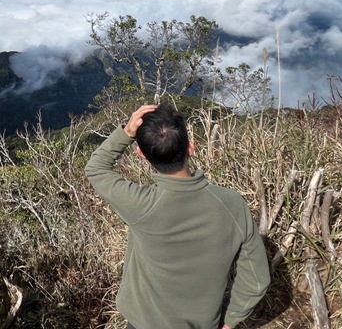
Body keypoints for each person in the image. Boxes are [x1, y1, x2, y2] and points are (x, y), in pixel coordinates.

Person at [85, 103, 270, 329]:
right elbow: (257, 279)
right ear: (190, 148)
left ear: (141, 154)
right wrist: (230, 321)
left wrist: (126, 132)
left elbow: (96, 168)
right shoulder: (232, 205)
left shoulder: (140, 205)